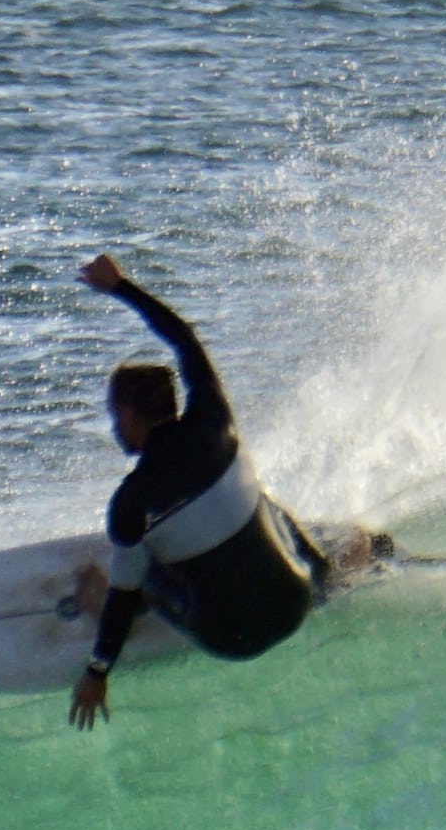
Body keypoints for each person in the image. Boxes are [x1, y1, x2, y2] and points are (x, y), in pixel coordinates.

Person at [68, 254, 353, 727]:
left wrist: (97, 671)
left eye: (114, 414)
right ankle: (329, 575)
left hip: (233, 640)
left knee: (134, 569)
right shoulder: (215, 417)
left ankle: (125, 603)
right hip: (296, 599)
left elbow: (123, 594)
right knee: (260, 502)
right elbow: (184, 339)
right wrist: (121, 286)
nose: (113, 424)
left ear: (131, 417)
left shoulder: (133, 500)